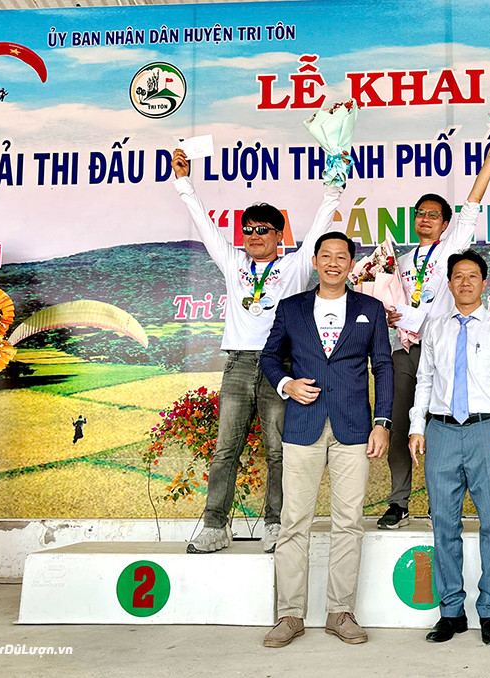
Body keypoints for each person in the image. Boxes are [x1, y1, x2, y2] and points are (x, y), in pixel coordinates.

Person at [172, 149, 345, 554]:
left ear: (279, 235)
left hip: (281, 367)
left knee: (277, 451)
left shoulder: (299, 264)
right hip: (236, 365)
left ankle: (275, 525)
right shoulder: (233, 263)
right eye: (247, 228)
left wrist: (334, 183)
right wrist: (184, 184)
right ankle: (215, 526)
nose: (253, 235)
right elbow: (204, 227)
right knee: (224, 451)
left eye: (263, 229)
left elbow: (323, 221)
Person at [259, 231, 393, 648]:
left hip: (354, 428)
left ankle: (340, 612)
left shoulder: (370, 308)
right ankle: (289, 616)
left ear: (352, 264)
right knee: (293, 522)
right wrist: (286, 385)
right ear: (315, 261)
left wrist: (382, 421)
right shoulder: (291, 308)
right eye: (326, 255)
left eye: (342, 256)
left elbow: (384, 367)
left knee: (348, 523)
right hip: (303, 427)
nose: (334, 263)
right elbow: (268, 356)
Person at [378, 133, 490, 530]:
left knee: (442, 424)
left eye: (433, 214)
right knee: (402, 425)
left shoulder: (452, 248)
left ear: (445, 223)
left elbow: (472, 206)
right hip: (406, 350)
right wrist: (389, 312)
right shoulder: (398, 260)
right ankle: (399, 502)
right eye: (420, 213)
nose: (425, 219)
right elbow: (395, 299)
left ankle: (441, 504)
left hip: (447, 346)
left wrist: (489, 163)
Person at [408, 249, 490, 646]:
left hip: (488, 430)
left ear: (484, 282)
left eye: (472, 276)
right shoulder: (436, 328)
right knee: (444, 524)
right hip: (441, 431)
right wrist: (416, 426)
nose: (464, 282)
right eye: (457, 276)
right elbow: (424, 380)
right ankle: (451, 612)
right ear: (449, 282)